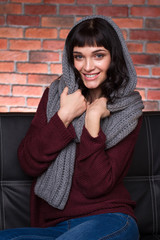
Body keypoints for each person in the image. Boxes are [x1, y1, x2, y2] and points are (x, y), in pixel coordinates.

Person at [0, 15, 144, 239]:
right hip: (52, 227)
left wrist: (93, 119)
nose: (87, 67)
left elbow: (95, 185)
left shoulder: (129, 110)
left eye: (98, 55)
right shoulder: (56, 95)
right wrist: (64, 116)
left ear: (114, 58)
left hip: (109, 219)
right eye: (79, 56)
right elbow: (29, 162)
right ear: (71, 60)